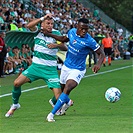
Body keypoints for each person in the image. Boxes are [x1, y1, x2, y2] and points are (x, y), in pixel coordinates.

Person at [5, 13, 68, 117]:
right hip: (36, 67)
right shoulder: (38, 32)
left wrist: (56, 45)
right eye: (48, 23)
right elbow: (29, 26)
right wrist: (43, 17)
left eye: (52, 24)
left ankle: (56, 109)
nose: (50, 25)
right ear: (42, 24)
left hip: (50, 70)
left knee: (58, 97)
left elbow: (65, 48)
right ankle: (15, 104)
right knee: (16, 83)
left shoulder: (56, 33)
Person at [45, 18, 105, 122]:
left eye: (86, 29)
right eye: (82, 29)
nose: (84, 31)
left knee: (68, 88)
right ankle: (66, 103)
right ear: (77, 27)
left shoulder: (89, 40)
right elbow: (64, 39)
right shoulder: (72, 32)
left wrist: (98, 64)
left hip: (78, 70)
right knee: (62, 91)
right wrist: (49, 35)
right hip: (66, 67)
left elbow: (101, 53)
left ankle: (52, 114)